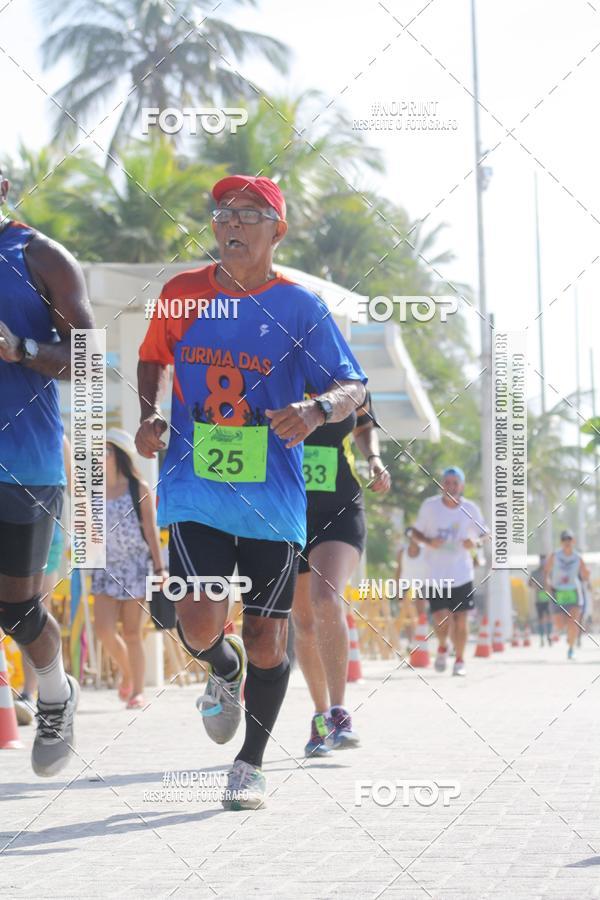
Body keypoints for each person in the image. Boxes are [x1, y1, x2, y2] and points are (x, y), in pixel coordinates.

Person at [135, 174, 367, 810]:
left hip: (273, 499)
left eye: (249, 213)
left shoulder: (300, 307)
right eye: (222, 213)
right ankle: (222, 666)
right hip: (194, 486)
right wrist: (152, 413)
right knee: (199, 618)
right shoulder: (181, 295)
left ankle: (250, 763)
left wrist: (317, 409)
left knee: (270, 637)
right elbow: (152, 359)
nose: (231, 223)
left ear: (277, 230)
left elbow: (353, 385)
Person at [0, 168, 94, 775]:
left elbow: (90, 359)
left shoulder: (39, 255)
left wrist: (23, 351)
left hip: (23, 466)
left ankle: (55, 693)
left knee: (16, 611)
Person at [292, 392, 390, 757]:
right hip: (288, 512)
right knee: (302, 622)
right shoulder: (273, 368)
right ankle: (319, 716)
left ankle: (339, 712)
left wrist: (374, 459)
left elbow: (365, 424)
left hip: (339, 509)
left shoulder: (344, 375)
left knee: (325, 597)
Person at [91, 429, 165, 708]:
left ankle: (136, 690)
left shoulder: (138, 487)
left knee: (133, 632)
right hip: (105, 567)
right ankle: (127, 674)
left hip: (136, 566)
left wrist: (160, 569)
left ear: (118, 455)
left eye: (106, 451)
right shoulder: (94, 489)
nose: (100, 456)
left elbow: (150, 528)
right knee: (104, 630)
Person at [15, 436, 72, 726]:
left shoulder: (58, 439)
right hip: (12, 526)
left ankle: (33, 689)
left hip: (47, 532)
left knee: (33, 610)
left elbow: (74, 489)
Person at [410, 466, 488, 677]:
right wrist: (428, 541)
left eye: (455, 483)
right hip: (435, 574)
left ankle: (460, 660)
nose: (451, 486)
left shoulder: (470, 509)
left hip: (462, 573)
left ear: (461, 486)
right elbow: (414, 532)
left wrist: (475, 543)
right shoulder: (430, 507)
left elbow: (485, 535)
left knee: (461, 619)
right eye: (447, 482)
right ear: (441, 485)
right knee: (441, 618)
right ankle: (443, 645)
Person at [544, 530, 590, 660]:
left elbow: (585, 575)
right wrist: (547, 584)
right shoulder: (555, 555)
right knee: (559, 625)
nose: (567, 543)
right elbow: (546, 571)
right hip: (557, 591)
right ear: (561, 542)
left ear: (573, 541)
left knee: (573, 622)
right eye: (565, 540)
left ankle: (571, 648)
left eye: (569, 540)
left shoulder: (578, 557)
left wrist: (587, 574)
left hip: (573, 591)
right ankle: (562, 634)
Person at [395, 527, 427, 650]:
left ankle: (421, 641)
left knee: (420, 614)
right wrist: (397, 590)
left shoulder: (425, 551)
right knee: (406, 616)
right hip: (405, 586)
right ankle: (411, 642)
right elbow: (398, 571)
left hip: (421, 586)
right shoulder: (402, 552)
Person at [528, 554, 552, 647]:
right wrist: (534, 585)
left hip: (548, 598)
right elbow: (529, 584)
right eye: (542, 560)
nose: (543, 562)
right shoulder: (534, 573)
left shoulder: (549, 572)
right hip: (538, 599)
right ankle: (542, 638)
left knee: (549, 617)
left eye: (545, 560)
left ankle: (549, 636)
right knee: (541, 619)